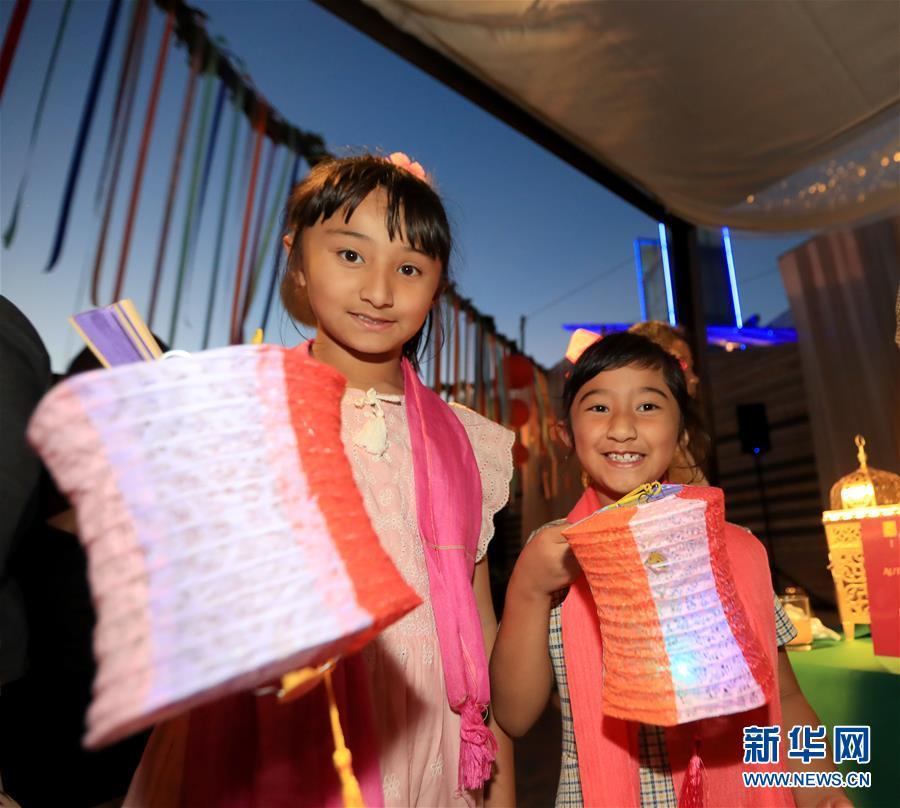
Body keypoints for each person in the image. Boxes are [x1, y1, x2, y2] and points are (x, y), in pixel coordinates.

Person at [126, 153, 515, 807]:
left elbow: (482, 636)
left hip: (436, 749)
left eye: (409, 268)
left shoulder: (468, 444)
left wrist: (500, 793)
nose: (380, 291)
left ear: (437, 287)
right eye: (351, 255)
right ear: (298, 261)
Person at [490, 332, 849, 808]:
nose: (622, 427)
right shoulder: (552, 554)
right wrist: (529, 590)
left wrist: (823, 793)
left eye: (647, 406)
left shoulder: (736, 549)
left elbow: (785, 699)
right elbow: (514, 716)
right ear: (566, 434)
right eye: (598, 407)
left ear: (681, 433)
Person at [628, 321, 708, 484]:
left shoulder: (680, 434)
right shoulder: (638, 441)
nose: (694, 378)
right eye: (682, 363)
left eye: (691, 366)